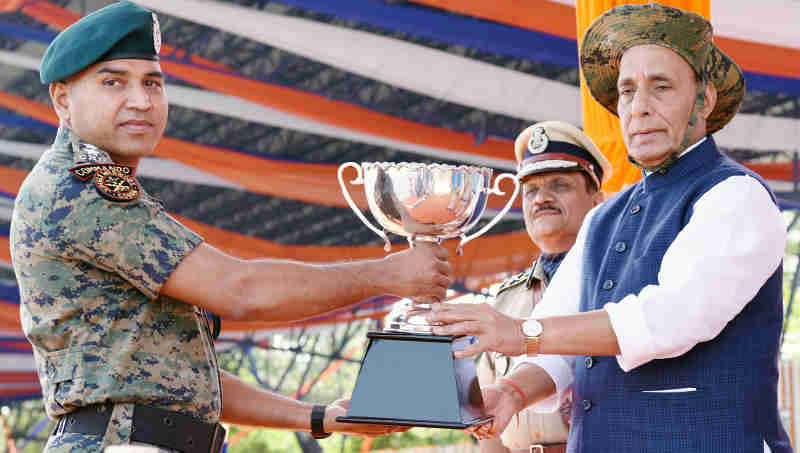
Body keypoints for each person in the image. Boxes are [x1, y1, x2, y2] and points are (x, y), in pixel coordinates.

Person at [10, 2, 452, 453]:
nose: (141, 101)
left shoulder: (99, 191)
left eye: (152, 83)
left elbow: (180, 383)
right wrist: (387, 275)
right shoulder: (83, 191)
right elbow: (241, 290)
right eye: (113, 82)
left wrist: (317, 416)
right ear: (62, 100)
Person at [428, 4, 791, 452]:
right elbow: (556, 339)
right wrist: (512, 392)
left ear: (705, 99)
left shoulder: (736, 195)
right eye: (627, 92)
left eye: (661, 87)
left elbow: (670, 319)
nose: (639, 108)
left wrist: (519, 333)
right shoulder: (603, 217)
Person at [476, 121, 608, 453]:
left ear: (598, 200)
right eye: (531, 190)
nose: (541, 199)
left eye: (559, 185)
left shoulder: (618, 285)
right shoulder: (503, 301)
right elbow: (485, 424)